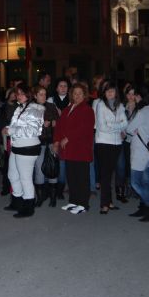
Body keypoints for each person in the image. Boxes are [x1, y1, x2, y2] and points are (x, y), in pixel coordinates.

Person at [53, 83, 95, 214]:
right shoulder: (68, 108)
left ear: (84, 95)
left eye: (80, 93)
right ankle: (73, 201)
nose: (77, 96)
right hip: (69, 150)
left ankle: (83, 204)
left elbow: (84, 128)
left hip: (81, 149)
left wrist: (68, 137)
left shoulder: (87, 109)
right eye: (75, 93)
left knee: (82, 177)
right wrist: (56, 141)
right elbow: (59, 126)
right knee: (71, 176)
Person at [4, 85, 44, 218]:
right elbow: (17, 125)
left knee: (25, 178)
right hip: (17, 146)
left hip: (28, 147)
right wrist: (9, 128)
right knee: (12, 175)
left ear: (28, 95)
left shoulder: (34, 109)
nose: (18, 96)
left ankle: (28, 207)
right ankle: (17, 202)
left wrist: (10, 131)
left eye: (21, 93)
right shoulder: (21, 107)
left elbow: (32, 131)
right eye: (17, 93)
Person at [126, 83, 149, 222]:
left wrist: (132, 127)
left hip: (140, 152)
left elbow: (129, 128)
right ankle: (144, 207)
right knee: (144, 182)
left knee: (135, 182)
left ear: (139, 96)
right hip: (145, 150)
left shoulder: (142, 112)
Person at [94, 79, 128, 214]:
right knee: (105, 175)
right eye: (107, 90)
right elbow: (102, 127)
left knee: (111, 174)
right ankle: (104, 204)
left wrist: (114, 126)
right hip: (103, 143)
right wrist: (118, 127)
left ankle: (109, 201)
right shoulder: (100, 105)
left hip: (117, 144)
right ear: (104, 92)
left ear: (116, 92)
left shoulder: (120, 106)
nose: (110, 93)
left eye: (112, 90)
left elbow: (125, 123)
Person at [33, 85, 60, 207]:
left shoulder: (51, 106)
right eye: (40, 94)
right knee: (39, 169)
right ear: (35, 96)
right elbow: (29, 128)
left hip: (51, 142)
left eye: (45, 94)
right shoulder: (31, 108)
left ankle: (53, 198)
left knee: (52, 168)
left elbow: (59, 125)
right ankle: (40, 197)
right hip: (38, 143)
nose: (43, 96)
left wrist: (55, 124)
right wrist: (41, 125)